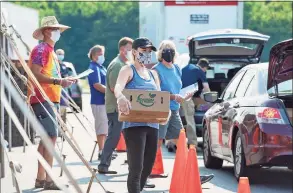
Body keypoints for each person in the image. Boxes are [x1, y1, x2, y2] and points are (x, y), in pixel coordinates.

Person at [153, 40, 214, 185]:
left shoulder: (176, 69)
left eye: (171, 49)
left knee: (181, 140)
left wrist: (186, 94)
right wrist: (173, 96)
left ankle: (192, 174)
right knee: (156, 142)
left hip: (174, 110)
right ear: (160, 53)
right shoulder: (156, 70)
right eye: (166, 49)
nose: (169, 52)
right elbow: (155, 93)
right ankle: (145, 173)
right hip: (161, 110)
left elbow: (178, 88)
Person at [28, 16, 74, 190]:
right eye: (55, 30)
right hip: (42, 98)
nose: (58, 33)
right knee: (51, 138)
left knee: (47, 139)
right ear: (47, 31)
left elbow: (47, 74)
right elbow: (35, 74)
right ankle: (48, 179)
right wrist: (58, 81)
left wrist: (62, 80)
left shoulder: (50, 51)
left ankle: (42, 178)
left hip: (49, 98)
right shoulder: (42, 50)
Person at [114, 37, 165, 193]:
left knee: (148, 165)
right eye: (144, 51)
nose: (147, 54)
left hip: (152, 124)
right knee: (136, 167)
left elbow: (158, 98)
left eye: (150, 51)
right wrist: (121, 97)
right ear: (135, 52)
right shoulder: (128, 70)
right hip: (134, 125)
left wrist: (165, 113)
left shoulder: (153, 74)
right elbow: (118, 87)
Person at [98, 37, 133, 174]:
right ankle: (103, 165)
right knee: (113, 136)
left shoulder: (123, 64)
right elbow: (114, 87)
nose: (132, 52)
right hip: (115, 108)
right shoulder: (117, 65)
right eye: (130, 49)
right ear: (122, 49)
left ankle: (133, 163)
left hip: (121, 108)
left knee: (130, 136)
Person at [181, 58, 211, 148]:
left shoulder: (187, 67)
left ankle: (170, 142)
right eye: (206, 69)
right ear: (204, 67)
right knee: (190, 119)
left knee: (175, 118)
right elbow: (206, 88)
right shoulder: (200, 71)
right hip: (186, 96)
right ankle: (192, 143)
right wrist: (210, 101)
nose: (205, 71)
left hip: (175, 95)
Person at [87, 45, 108, 160]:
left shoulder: (101, 67)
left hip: (103, 101)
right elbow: (97, 85)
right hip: (98, 101)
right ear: (94, 55)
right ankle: (101, 151)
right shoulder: (93, 68)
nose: (102, 56)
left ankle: (104, 149)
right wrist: (110, 92)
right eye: (100, 54)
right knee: (101, 126)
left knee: (105, 127)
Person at [56, 49, 70, 123]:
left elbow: (67, 75)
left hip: (64, 90)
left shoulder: (64, 65)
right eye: (59, 54)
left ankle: (63, 127)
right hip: (57, 88)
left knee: (64, 110)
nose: (60, 56)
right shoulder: (54, 64)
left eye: (62, 54)